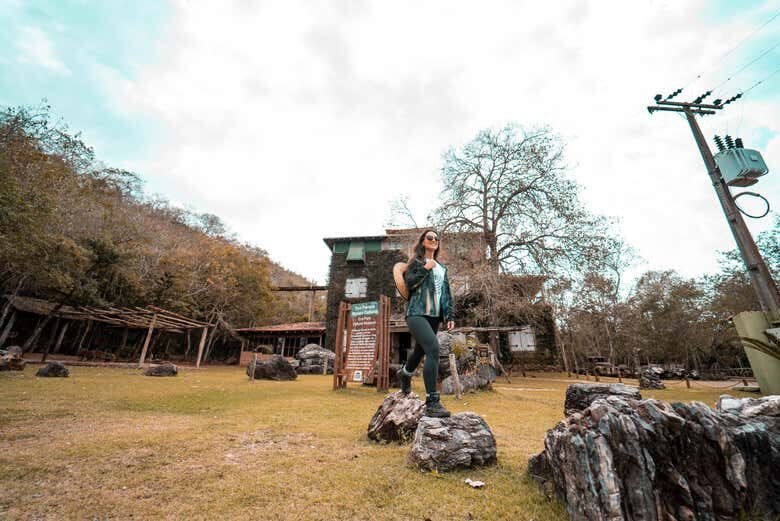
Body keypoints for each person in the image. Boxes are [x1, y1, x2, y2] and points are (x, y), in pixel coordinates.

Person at [397, 229, 454, 418]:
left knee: (421, 350)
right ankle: (432, 402)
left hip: (434, 316)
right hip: (417, 313)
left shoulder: (442, 268)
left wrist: (449, 316)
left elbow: (446, 294)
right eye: (430, 237)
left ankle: (405, 373)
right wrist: (425, 268)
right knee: (434, 349)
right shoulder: (416, 262)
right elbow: (409, 283)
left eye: (436, 238)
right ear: (422, 242)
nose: (434, 240)